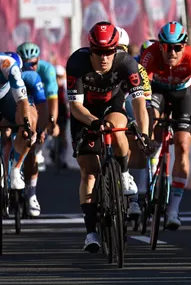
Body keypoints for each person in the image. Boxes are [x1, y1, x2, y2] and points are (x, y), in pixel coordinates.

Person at [66, 21, 150, 252]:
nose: (104, 58)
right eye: (99, 53)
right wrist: (94, 123)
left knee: (118, 128)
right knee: (89, 173)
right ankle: (91, 232)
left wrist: (144, 134)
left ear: (116, 50)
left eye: (109, 52)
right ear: (90, 50)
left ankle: (123, 174)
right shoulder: (76, 63)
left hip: (112, 105)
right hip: (85, 113)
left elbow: (140, 105)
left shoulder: (126, 62)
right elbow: (75, 108)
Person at [140, 21, 191, 230]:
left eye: (177, 47)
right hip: (156, 90)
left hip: (181, 95)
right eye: (167, 47)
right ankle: (150, 172)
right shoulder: (149, 55)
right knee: (153, 127)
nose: (172, 52)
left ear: (184, 46)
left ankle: (173, 210)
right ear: (160, 46)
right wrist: (147, 130)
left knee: (183, 145)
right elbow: (144, 99)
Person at [2, 52, 48, 217]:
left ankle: (17, 170)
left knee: (29, 120)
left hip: (11, 99)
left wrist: (29, 126)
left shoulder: (9, 66)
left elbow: (23, 101)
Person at [116, 27, 153, 218]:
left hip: (127, 104)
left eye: (121, 49)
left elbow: (143, 102)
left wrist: (142, 133)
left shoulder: (137, 68)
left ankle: (135, 197)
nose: (117, 54)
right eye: (113, 49)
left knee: (138, 137)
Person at [17, 42, 58, 174]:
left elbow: (52, 99)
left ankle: (39, 148)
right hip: (20, 98)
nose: (30, 67)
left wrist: (52, 122)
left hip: (41, 98)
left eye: (33, 64)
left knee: (45, 120)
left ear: (39, 60)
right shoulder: (14, 69)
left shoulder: (48, 70)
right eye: (26, 64)